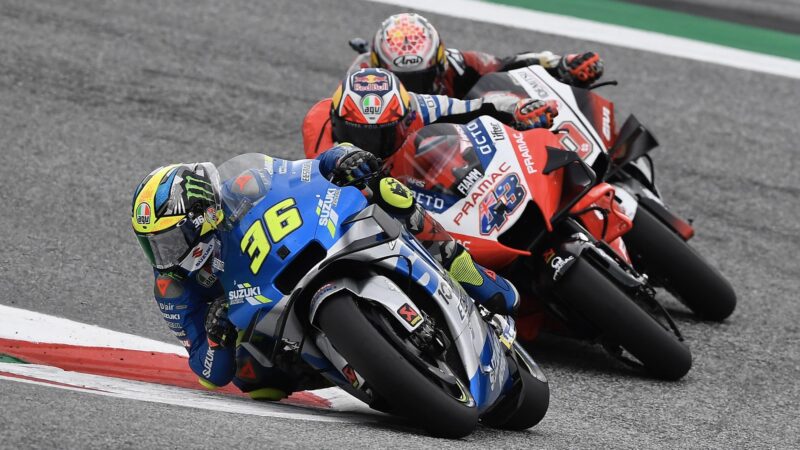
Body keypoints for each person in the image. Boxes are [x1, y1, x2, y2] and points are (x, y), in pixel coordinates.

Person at [130, 145, 519, 399]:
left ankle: (466, 270)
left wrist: (339, 161)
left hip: (303, 247)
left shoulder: (243, 184)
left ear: (203, 216)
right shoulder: (172, 288)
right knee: (254, 380)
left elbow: (302, 171)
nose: (165, 255)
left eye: (170, 240)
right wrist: (216, 339)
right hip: (262, 316)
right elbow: (207, 372)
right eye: (154, 245)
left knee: (385, 190)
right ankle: (357, 370)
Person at [302, 67, 558, 158]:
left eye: (383, 135)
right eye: (359, 136)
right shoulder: (319, 123)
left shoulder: (418, 107)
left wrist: (518, 110)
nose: (371, 148)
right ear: (337, 122)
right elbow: (321, 179)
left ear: (406, 118)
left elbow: (474, 107)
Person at [348, 12, 604, 98]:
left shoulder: (456, 64)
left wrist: (560, 65)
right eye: (402, 80)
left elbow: (507, 65)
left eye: (420, 78)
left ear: (438, 64)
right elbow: (337, 128)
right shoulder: (362, 79)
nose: (412, 88)